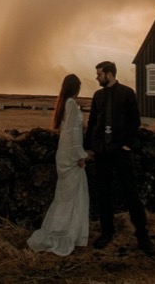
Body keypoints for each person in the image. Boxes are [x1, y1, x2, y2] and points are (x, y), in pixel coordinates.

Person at [83, 60, 155, 256]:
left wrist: (128, 145)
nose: (96, 77)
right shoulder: (97, 96)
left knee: (131, 194)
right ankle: (107, 232)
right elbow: (92, 124)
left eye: (99, 74)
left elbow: (135, 121)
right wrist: (87, 147)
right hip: (102, 153)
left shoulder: (127, 93)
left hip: (121, 152)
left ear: (109, 74)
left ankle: (143, 236)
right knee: (104, 194)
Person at [26, 74, 90, 256]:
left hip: (65, 154)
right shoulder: (70, 104)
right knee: (69, 198)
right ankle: (61, 236)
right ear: (76, 87)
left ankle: (68, 233)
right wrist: (80, 155)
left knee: (67, 197)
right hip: (70, 156)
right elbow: (72, 133)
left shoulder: (65, 103)